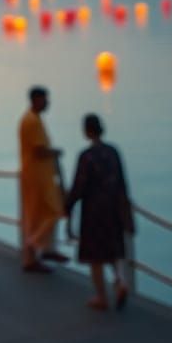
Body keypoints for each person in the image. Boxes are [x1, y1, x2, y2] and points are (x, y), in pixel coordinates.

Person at [65, 114, 134, 310]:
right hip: (113, 209)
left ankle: (101, 297)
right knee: (112, 251)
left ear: (86, 131)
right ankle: (120, 283)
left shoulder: (86, 156)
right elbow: (122, 182)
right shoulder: (113, 152)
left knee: (95, 257)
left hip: (94, 212)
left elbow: (78, 186)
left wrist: (67, 207)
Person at [18, 86, 65, 271]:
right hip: (37, 177)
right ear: (36, 100)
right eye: (45, 99)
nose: (48, 103)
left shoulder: (34, 119)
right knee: (54, 211)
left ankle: (41, 252)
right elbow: (38, 150)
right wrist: (56, 152)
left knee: (37, 216)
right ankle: (34, 243)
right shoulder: (32, 121)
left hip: (40, 175)